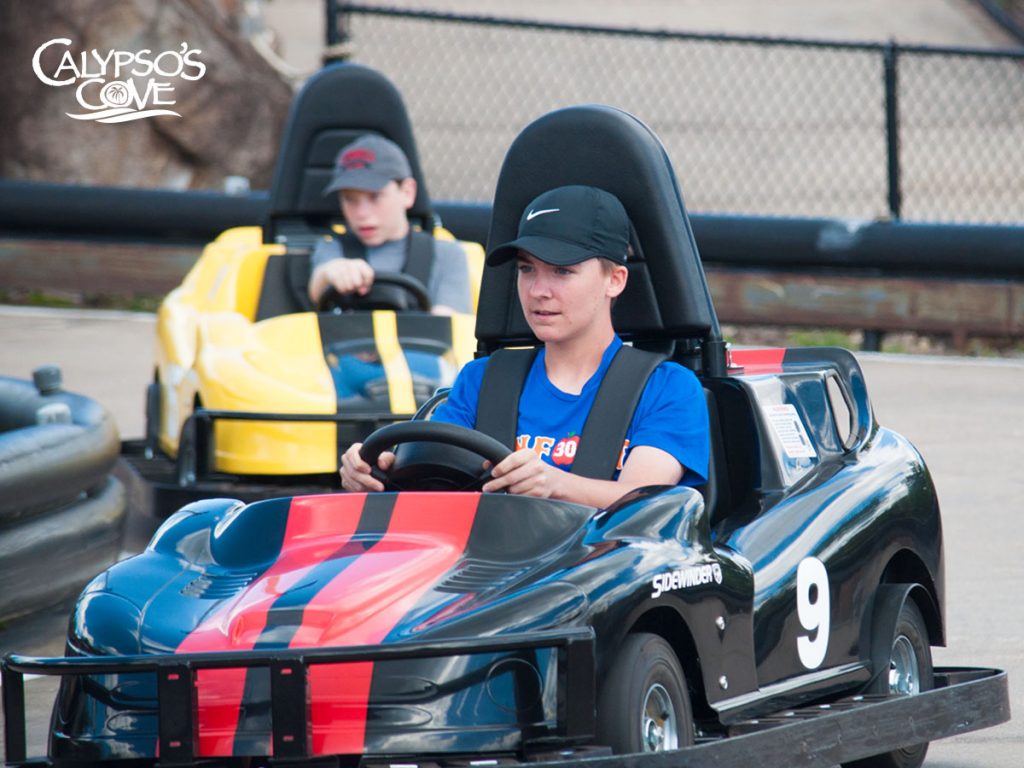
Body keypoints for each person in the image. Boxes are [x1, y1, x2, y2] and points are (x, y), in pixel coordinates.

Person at [340, 185, 709, 508]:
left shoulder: (667, 388)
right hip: (490, 572)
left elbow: (648, 503)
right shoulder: (481, 380)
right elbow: (436, 485)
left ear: (615, 280)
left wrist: (555, 484)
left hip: (599, 576)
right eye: (526, 269)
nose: (537, 291)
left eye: (562, 271)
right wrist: (377, 475)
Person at [308, 134, 472, 315]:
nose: (361, 213)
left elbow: (448, 324)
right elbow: (318, 285)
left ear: (407, 193)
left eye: (375, 196)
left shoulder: (447, 254)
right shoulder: (332, 248)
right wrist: (332, 272)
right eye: (349, 199)